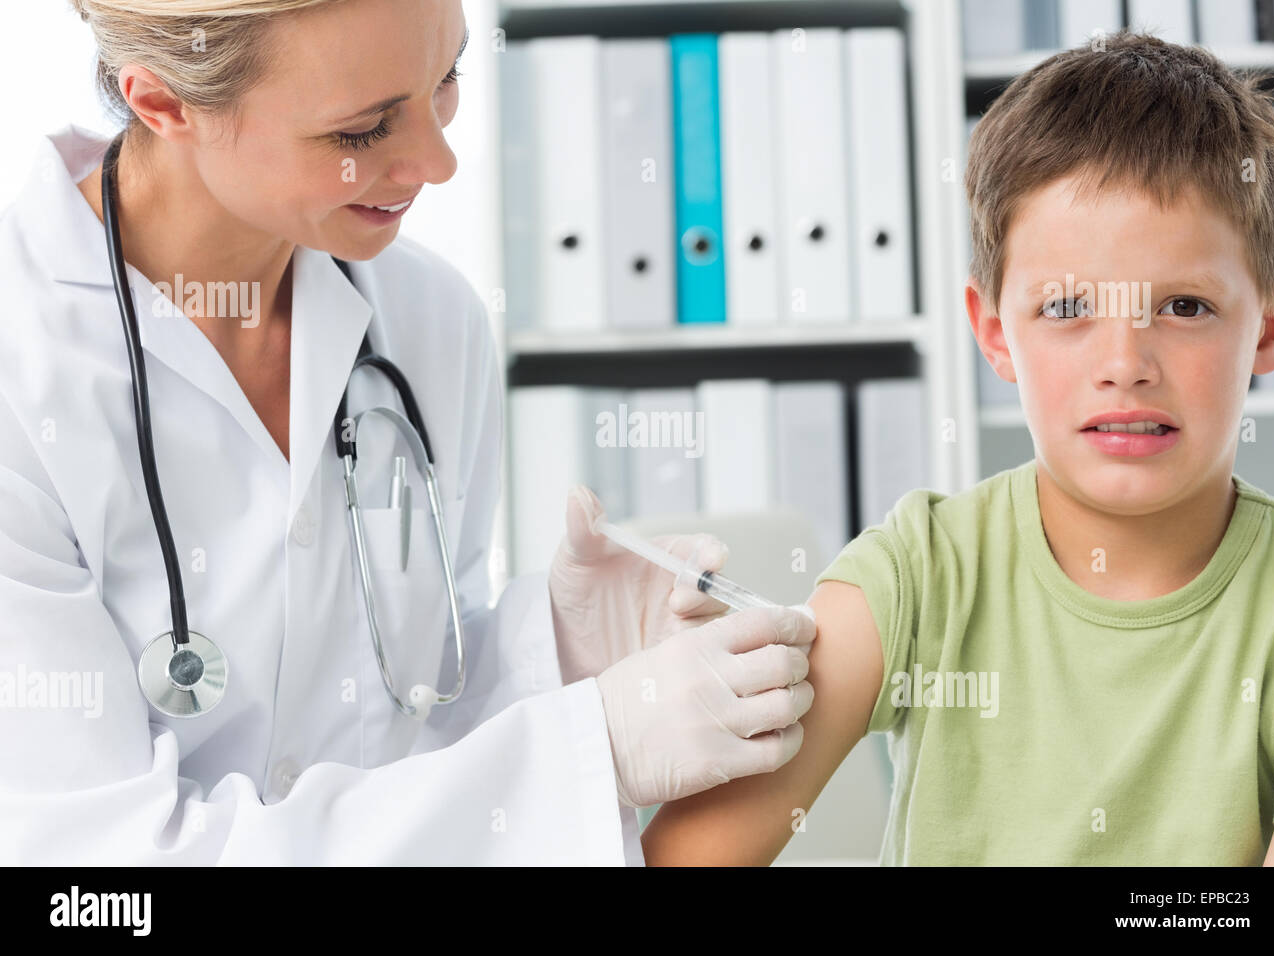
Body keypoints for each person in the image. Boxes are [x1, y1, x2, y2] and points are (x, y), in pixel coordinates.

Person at [0, 0, 817, 864]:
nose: (438, 160)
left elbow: (405, 737)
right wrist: (594, 753)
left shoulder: (430, 322)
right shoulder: (24, 367)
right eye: (362, 130)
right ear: (163, 104)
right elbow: (99, 871)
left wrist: (553, 651)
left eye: (446, 80)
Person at [641, 31, 1274, 866]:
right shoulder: (922, 571)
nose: (1125, 366)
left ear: (1273, 325)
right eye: (1066, 309)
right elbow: (687, 858)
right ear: (994, 332)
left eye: (1184, 306)